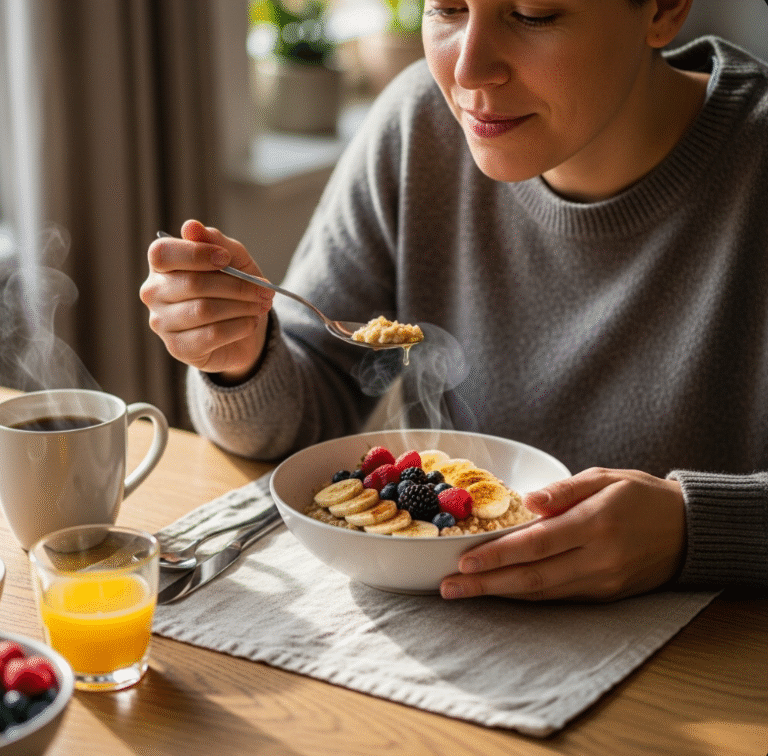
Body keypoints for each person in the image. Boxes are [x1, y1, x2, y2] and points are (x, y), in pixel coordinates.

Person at [140, 0, 768, 602]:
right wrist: (239, 355)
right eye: (446, 8)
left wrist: (694, 527)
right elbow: (300, 418)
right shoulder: (419, 126)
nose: (467, 69)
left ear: (662, 8)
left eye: (533, 15)